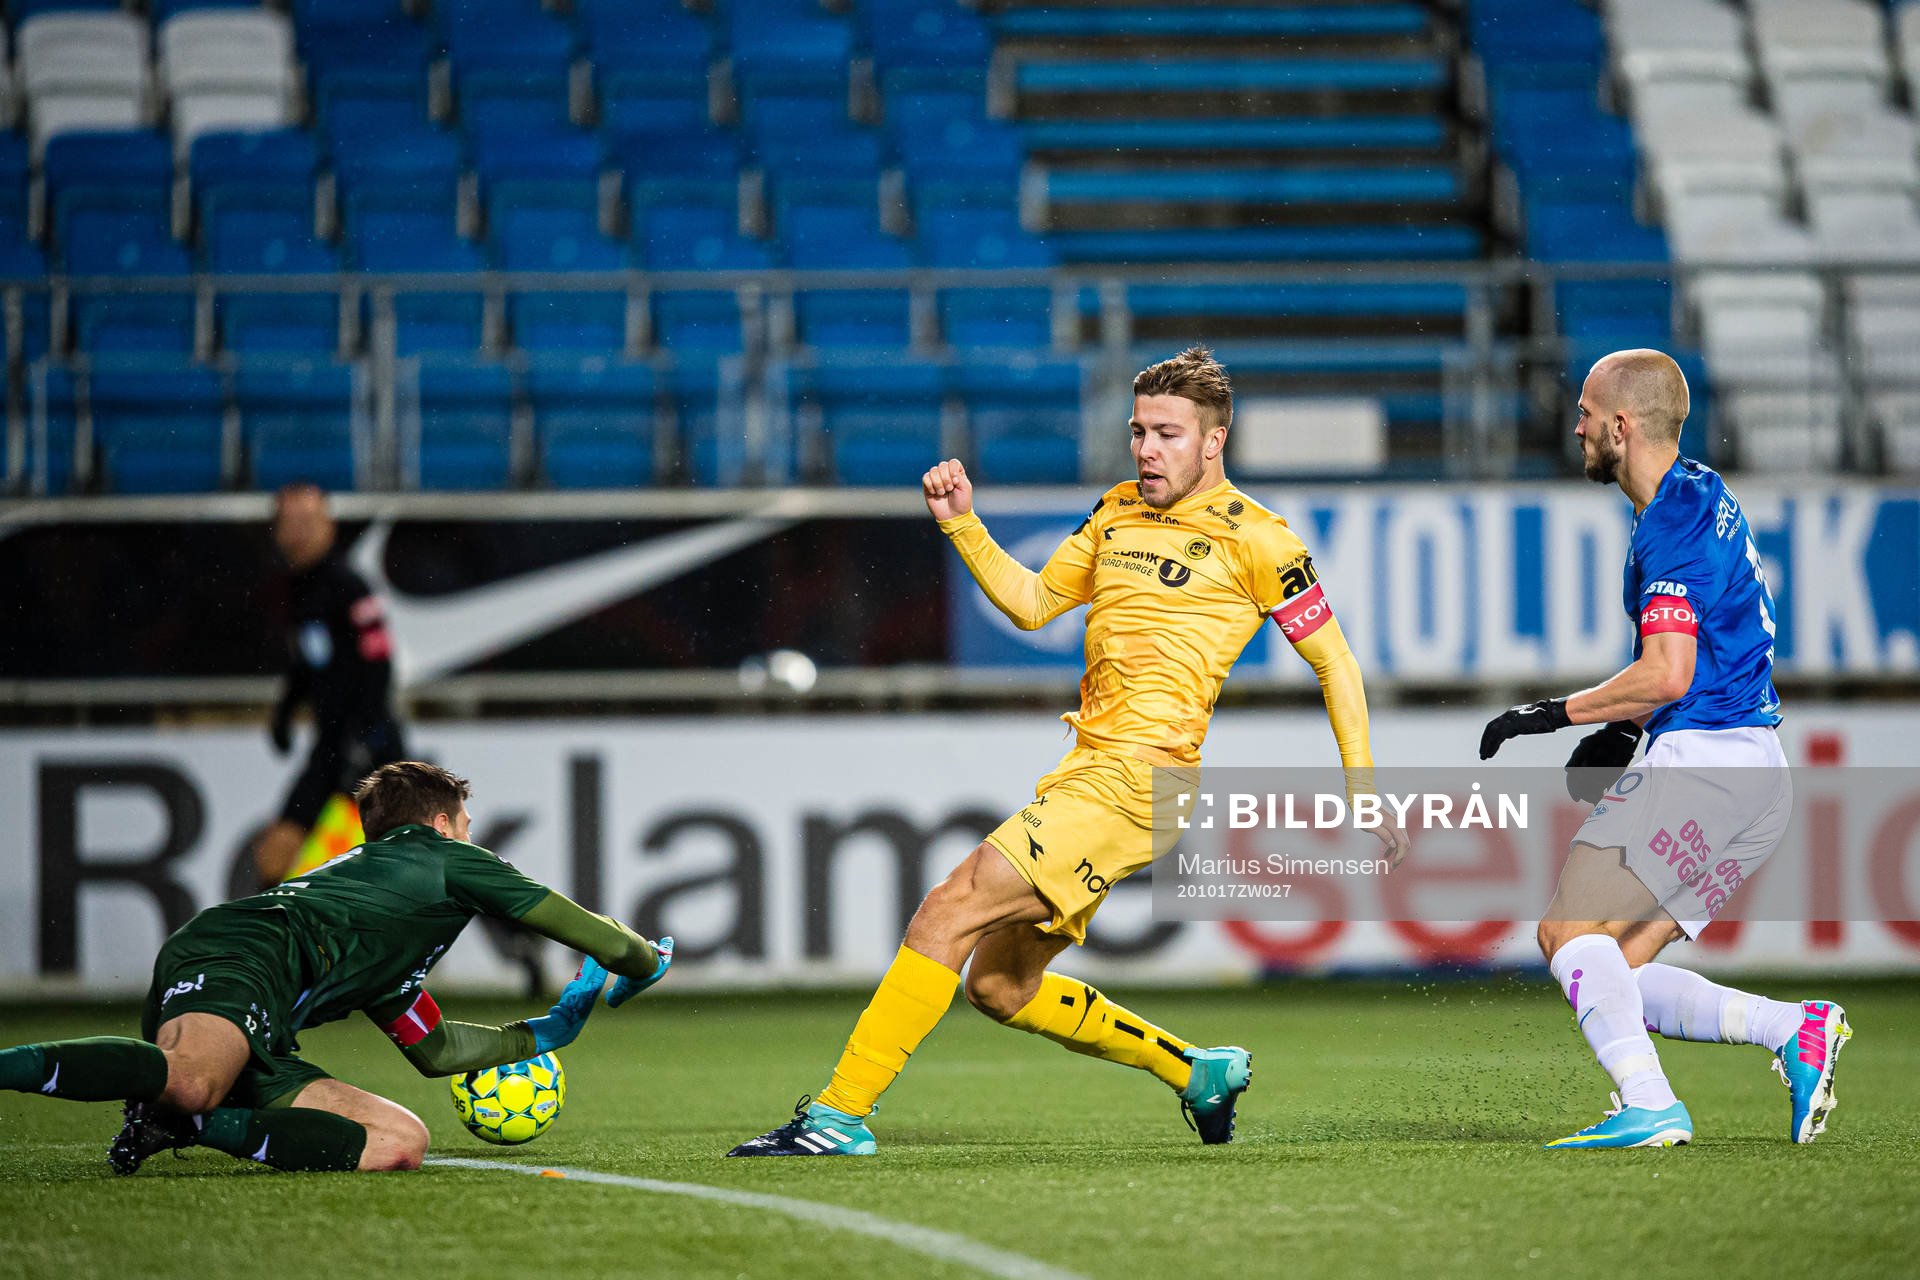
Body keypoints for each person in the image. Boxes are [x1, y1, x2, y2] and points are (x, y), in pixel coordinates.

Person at [730, 346, 1405, 1157]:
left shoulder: (1261, 540)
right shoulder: (1117, 509)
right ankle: (1199, 1071)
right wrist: (963, 526)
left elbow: (1337, 662)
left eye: (1167, 434)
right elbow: (1037, 602)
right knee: (999, 986)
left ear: (1214, 442)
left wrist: (1363, 790)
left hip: (1141, 777)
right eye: (1138, 432)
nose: (1147, 450)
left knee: (948, 908)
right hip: (1091, 770)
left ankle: (836, 1117)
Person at [1479, 348, 1848, 1148]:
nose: (1573, 425)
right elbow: (1706, 648)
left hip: (1706, 762)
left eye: (1584, 412)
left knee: (1567, 936)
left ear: (1621, 424)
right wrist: (1623, 727)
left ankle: (1651, 1105)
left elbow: (1669, 672)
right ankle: (1797, 1027)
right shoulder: (1695, 495)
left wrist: (1554, 714)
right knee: (1618, 970)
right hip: (1754, 771)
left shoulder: (1672, 522)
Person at [0, 761, 674, 1175]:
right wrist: (642, 963)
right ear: (440, 825)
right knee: (193, 1080)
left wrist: (549, 1032)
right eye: (466, 824)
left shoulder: (386, 937)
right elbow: (601, 939)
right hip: (245, 950)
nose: (472, 838)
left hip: (265, 1021)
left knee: (397, 1142)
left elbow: (437, 1051)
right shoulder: (447, 859)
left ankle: (187, 1128)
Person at [254, 484, 407, 887]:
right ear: (276, 531)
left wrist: (365, 735)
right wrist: (286, 710)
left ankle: (517, 934)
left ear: (329, 526)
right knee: (275, 853)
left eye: (309, 521)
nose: (300, 532)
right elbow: (308, 662)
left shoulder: (349, 585)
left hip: (375, 749)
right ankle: (263, 946)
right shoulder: (296, 589)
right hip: (331, 747)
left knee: (426, 857)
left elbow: (380, 664)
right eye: (291, 523)